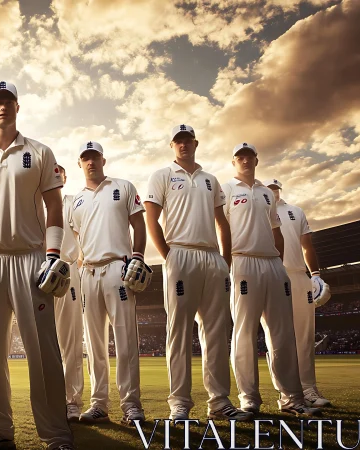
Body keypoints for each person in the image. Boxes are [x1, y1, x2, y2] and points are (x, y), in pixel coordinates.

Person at [0, 81, 75, 450]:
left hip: (30, 258)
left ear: (18, 107)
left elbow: (54, 207)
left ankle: (55, 434)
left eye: (9, 102)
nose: (3, 107)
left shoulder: (39, 151)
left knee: (42, 351)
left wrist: (53, 254)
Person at [144, 125, 252, 421]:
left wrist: (224, 259)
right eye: (178, 141)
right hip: (180, 254)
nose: (183, 145)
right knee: (177, 332)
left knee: (216, 332)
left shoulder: (209, 179)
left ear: (195, 143)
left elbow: (222, 222)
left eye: (188, 140)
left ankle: (219, 402)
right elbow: (151, 217)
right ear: (172, 145)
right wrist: (168, 256)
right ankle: (179, 403)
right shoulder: (162, 175)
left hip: (211, 258)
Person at [223, 143, 321, 417]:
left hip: (272, 264)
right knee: (243, 333)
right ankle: (249, 400)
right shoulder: (227, 190)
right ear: (234, 162)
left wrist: (277, 259)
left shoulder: (267, 193)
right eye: (239, 156)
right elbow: (222, 228)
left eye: (249, 156)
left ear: (256, 160)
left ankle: (292, 399)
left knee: (282, 333)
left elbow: (276, 231)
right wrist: (226, 264)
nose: (245, 160)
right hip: (243, 261)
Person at [70, 141, 150, 426]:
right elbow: (76, 241)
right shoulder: (75, 201)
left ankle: (131, 406)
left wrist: (138, 256)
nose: (90, 162)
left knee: (126, 339)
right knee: (94, 343)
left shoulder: (123, 186)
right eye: (85, 158)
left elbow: (139, 224)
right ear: (80, 163)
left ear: (103, 160)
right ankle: (98, 404)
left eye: (94, 157)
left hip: (119, 267)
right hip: (88, 272)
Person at [267, 179, 331, 407]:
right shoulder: (258, 209)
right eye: (268, 188)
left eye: (275, 188)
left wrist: (315, 274)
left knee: (305, 337)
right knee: (278, 338)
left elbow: (307, 245)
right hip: (273, 274)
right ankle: (286, 393)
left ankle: (309, 389)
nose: (273, 191)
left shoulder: (295, 211)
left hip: (298, 275)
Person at [54, 164, 84, 423]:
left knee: (71, 341)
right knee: (42, 345)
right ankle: (49, 401)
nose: (55, 175)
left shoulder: (73, 202)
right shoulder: (34, 202)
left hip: (67, 269)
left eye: (59, 172)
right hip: (38, 274)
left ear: (64, 178)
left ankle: (72, 402)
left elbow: (83, 232)